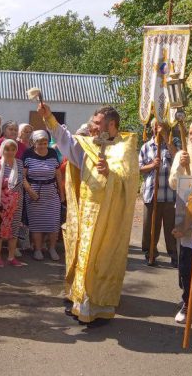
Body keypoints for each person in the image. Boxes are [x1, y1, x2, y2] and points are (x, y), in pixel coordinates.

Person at [39, 102, 139, 324]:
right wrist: (50, 119)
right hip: (86, 213)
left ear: (111, 124)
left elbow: (131, 183)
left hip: (108, 218)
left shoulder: (125, 147)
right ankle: (80, 304)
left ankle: (99, 308)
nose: (93, 127)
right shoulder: (89, 145)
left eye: (97, 123)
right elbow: (66, 141)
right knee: (83, 257)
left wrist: (111, 174)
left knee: (101, 260)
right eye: (93, 122)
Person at [168, 119, 192, 324]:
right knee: (186, 263)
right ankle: (187, 301)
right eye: (190, 133)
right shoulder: (181, 155)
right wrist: (181, 168)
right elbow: (174, 184)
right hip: (185, 213)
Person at [139, 120, 179, 266]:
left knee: (171, 227)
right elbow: (138, 168)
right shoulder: (146, 147)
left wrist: (166, 136)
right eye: (156, 126)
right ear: (151, 129)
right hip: (152, 193)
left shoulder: (173, 143)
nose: (158, 129)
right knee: (150, 227)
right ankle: (150, 253)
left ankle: (174, 254)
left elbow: (178, 158)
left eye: (161, 126)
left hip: (170, 194)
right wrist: (152, 165)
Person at [23, 130, 63, 261]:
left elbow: (58, 174)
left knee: (53, 223)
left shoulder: (52, 153)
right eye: (39, 143)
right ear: (34, 143)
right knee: (36, 224)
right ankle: (38, 249)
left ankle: (52, 248)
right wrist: (29, 191)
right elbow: (22, 176)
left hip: (51, 193)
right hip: (34, 194)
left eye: (45, 143)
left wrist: (61, 193)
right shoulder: (28, 154)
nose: (42, 146)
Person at [0, 139, 27, 267]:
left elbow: (22, 182)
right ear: (2, 150)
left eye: (13, 149)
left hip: (17, 203)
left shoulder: (20, 164)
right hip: (2, 203)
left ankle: (11, 257)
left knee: (14, 229)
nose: (10, 152)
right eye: (7, 149)